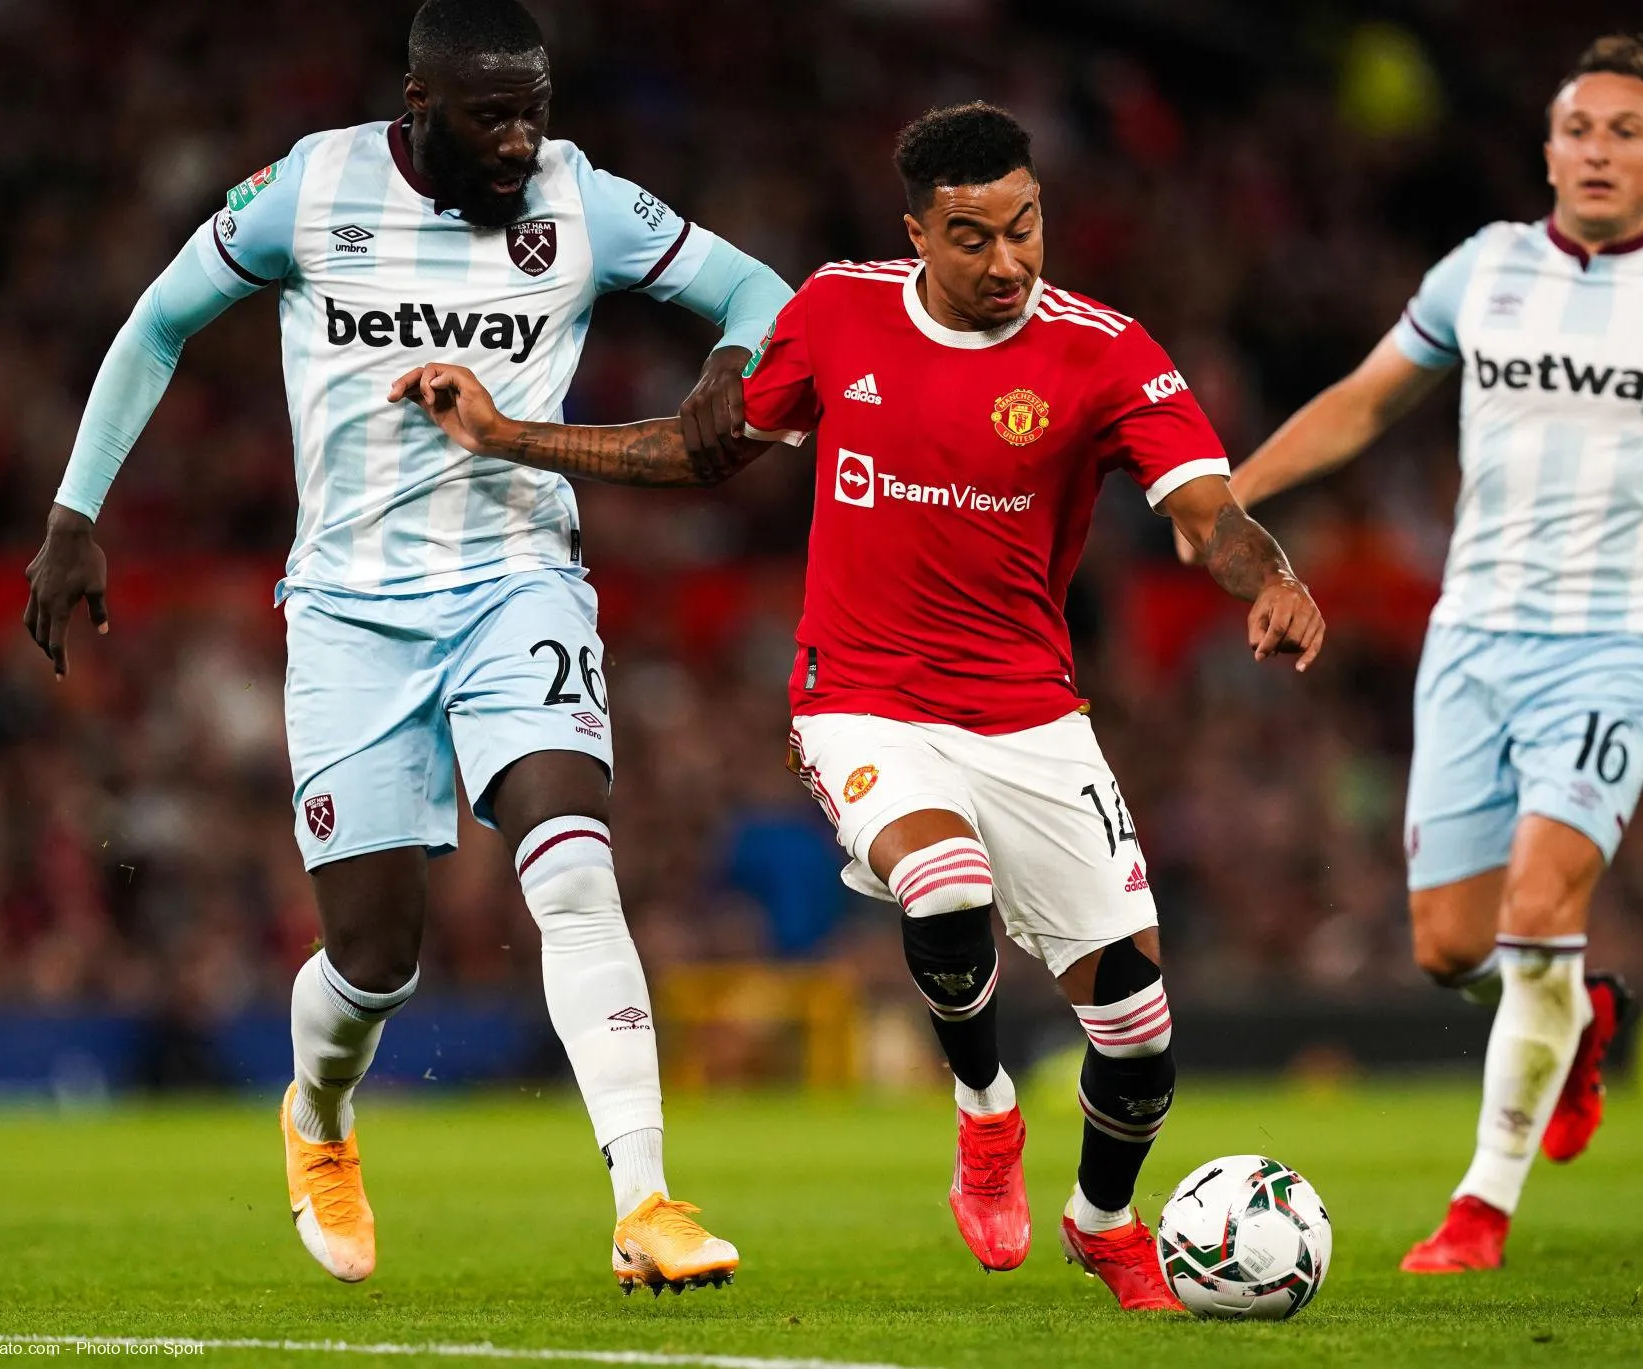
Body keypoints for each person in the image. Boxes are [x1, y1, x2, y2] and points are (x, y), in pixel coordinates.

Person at [390, 102, 1326, 1310]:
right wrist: (512, 435)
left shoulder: (1103, 350)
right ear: (916, 235)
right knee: (944, 885)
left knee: (1139, 1034)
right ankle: (984, 1111)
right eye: (972, 236)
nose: (1007, 262)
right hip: (863, 695)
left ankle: (1101, 1222)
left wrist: (1275, 577)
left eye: (1025, 228)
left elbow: (1207, 514)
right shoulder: (837, 311)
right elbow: (702, 447)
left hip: (1032, 714)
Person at [21, 0, 793, 1295]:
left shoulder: (581, 200)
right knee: (378, 956)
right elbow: (159, 319)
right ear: (418, 106)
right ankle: (318, 1120)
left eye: (537, 108)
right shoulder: (311, 190)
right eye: (494, 114)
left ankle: (646, 1198)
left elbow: (758, 292)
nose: (523, 137)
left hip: (520, 585)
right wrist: (74, 508)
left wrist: (731, 361)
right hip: (348, 615)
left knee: (572, 863)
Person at [1183, 34, 1643, 1272]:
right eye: (1577, 128)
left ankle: (1478, 1208)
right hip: (1473, 636)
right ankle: (1579, 1012)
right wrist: (1231, 493)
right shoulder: (1479, 273)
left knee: (1541, 903)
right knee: (1448, 948)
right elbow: (1365, 396)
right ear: (1547, 149)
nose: (1596, 149)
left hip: (1616, 641)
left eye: (1622, 131)